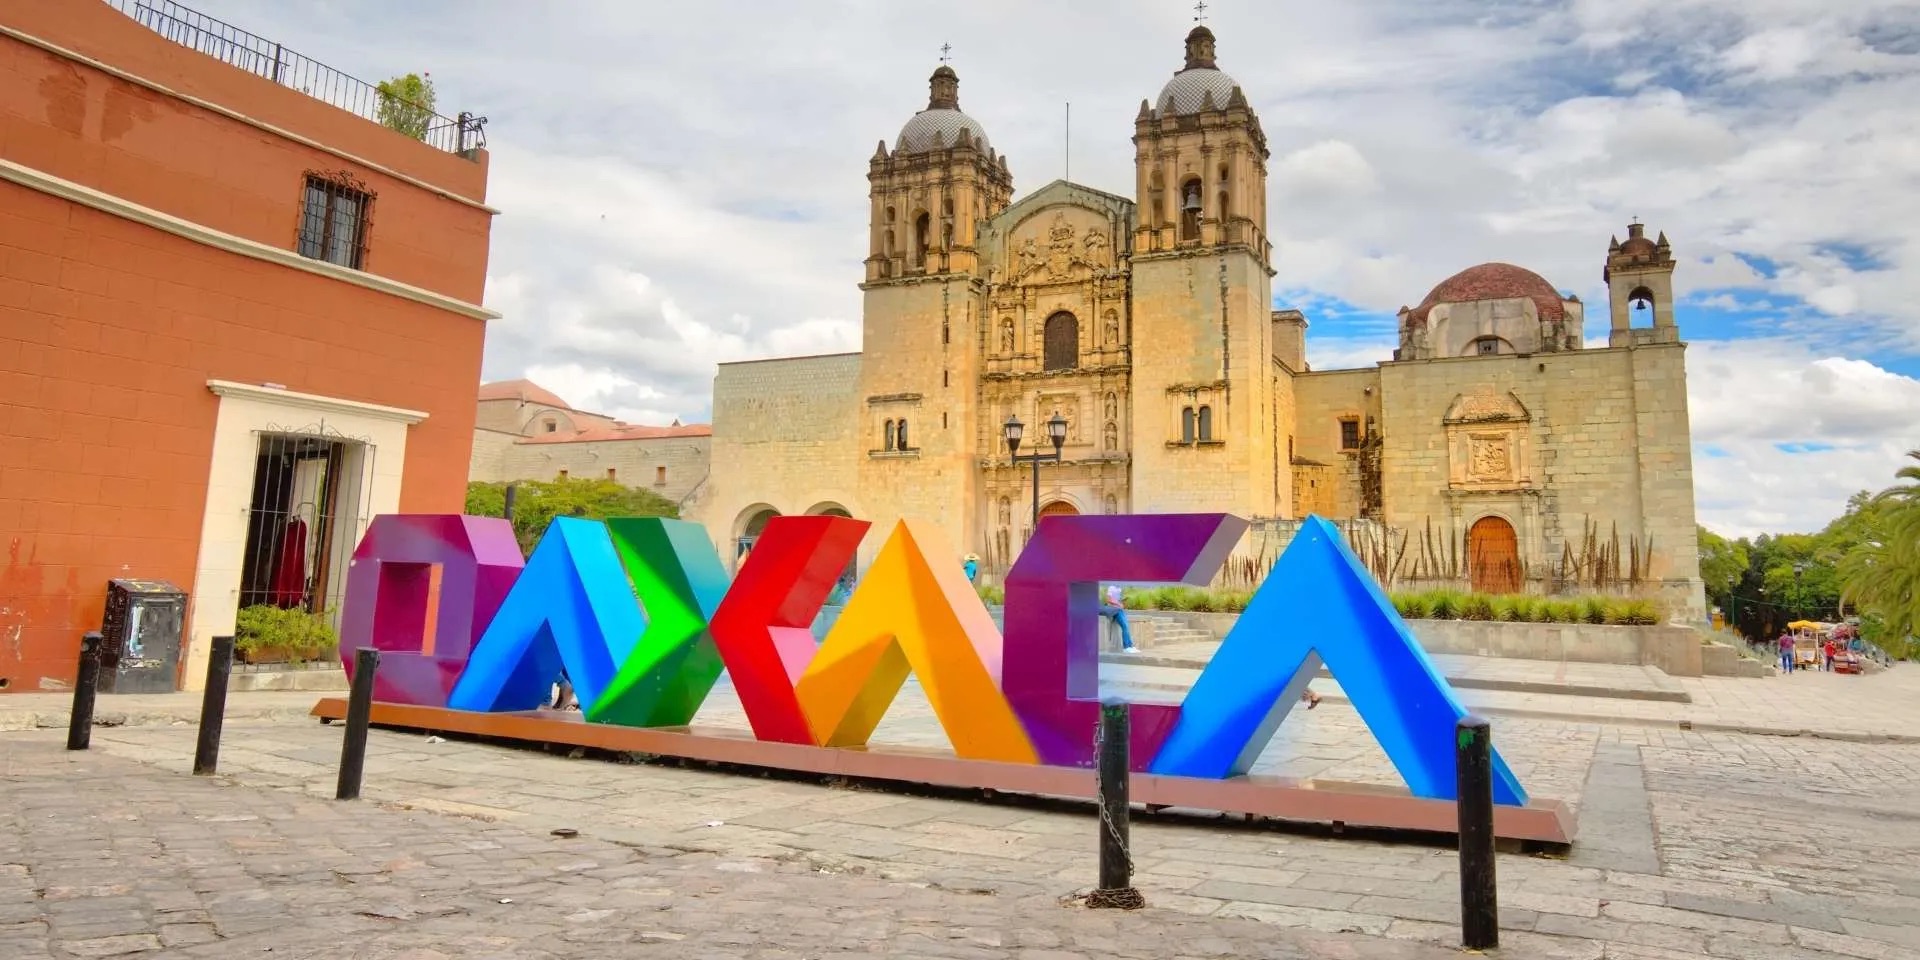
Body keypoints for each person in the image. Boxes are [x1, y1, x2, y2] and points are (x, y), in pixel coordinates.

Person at [1100, 585, 1136, 652]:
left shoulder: (1119, 588)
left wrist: (1122, 601)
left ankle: (1130, 646)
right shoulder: (1111, 587)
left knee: (1126, 626)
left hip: (1119, 610)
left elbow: (1117, 600)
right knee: (1125, 626)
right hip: (1114, 610)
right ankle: (1126, 647)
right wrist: (1118, 604)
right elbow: (1109, 600)